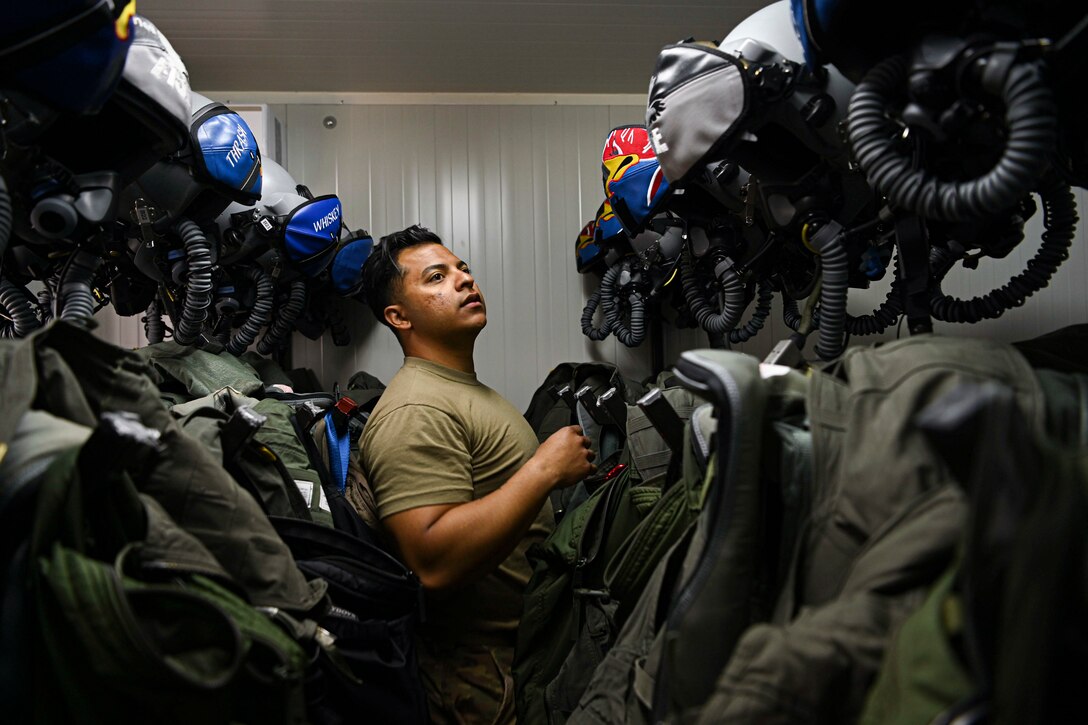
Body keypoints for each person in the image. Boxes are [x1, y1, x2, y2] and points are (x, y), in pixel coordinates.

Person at [358, 225, 596, 724]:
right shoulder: (417, 408)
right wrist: (544, 471)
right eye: (436, 277)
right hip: (483, 678)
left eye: (463, 269)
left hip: (524, 656)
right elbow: (432, 561)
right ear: (398, 316)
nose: (465, 281)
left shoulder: (460, 389)